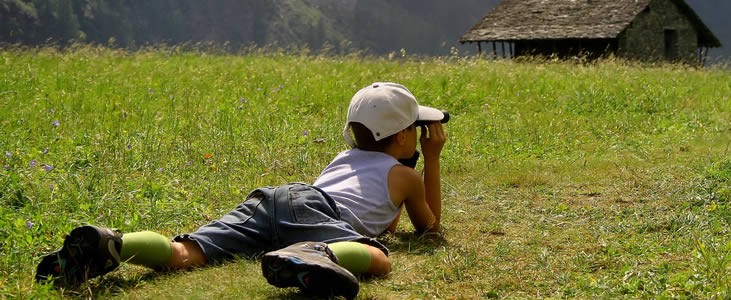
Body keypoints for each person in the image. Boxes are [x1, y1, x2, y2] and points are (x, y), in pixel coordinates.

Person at [35, 82, 448, 299]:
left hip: (280, 197)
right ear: (401, 137)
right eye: (417, 127)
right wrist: (431, 158)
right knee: (379, 259)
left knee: (186, 253)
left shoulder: (342, 159)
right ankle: (316, 253)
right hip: (317, 215)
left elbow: (383, 216)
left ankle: (116, 244)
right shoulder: (406, 177)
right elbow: (428, 226)